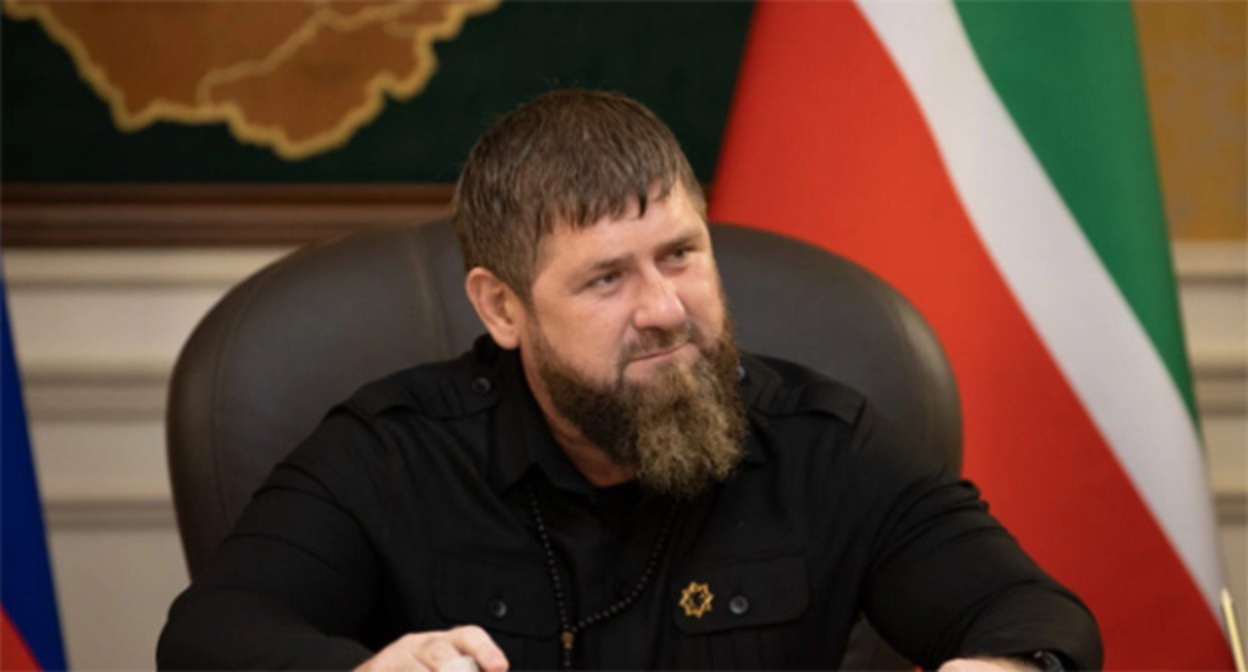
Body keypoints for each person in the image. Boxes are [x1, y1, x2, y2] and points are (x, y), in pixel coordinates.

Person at [157, 89, 1101, 671]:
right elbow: (211, 634)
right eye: (606, 278)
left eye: (680, 254)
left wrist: (1008, 668)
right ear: (501, 308)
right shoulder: (390, 453)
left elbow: (1032, 613)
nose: (662, 308)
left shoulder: (822, 443)